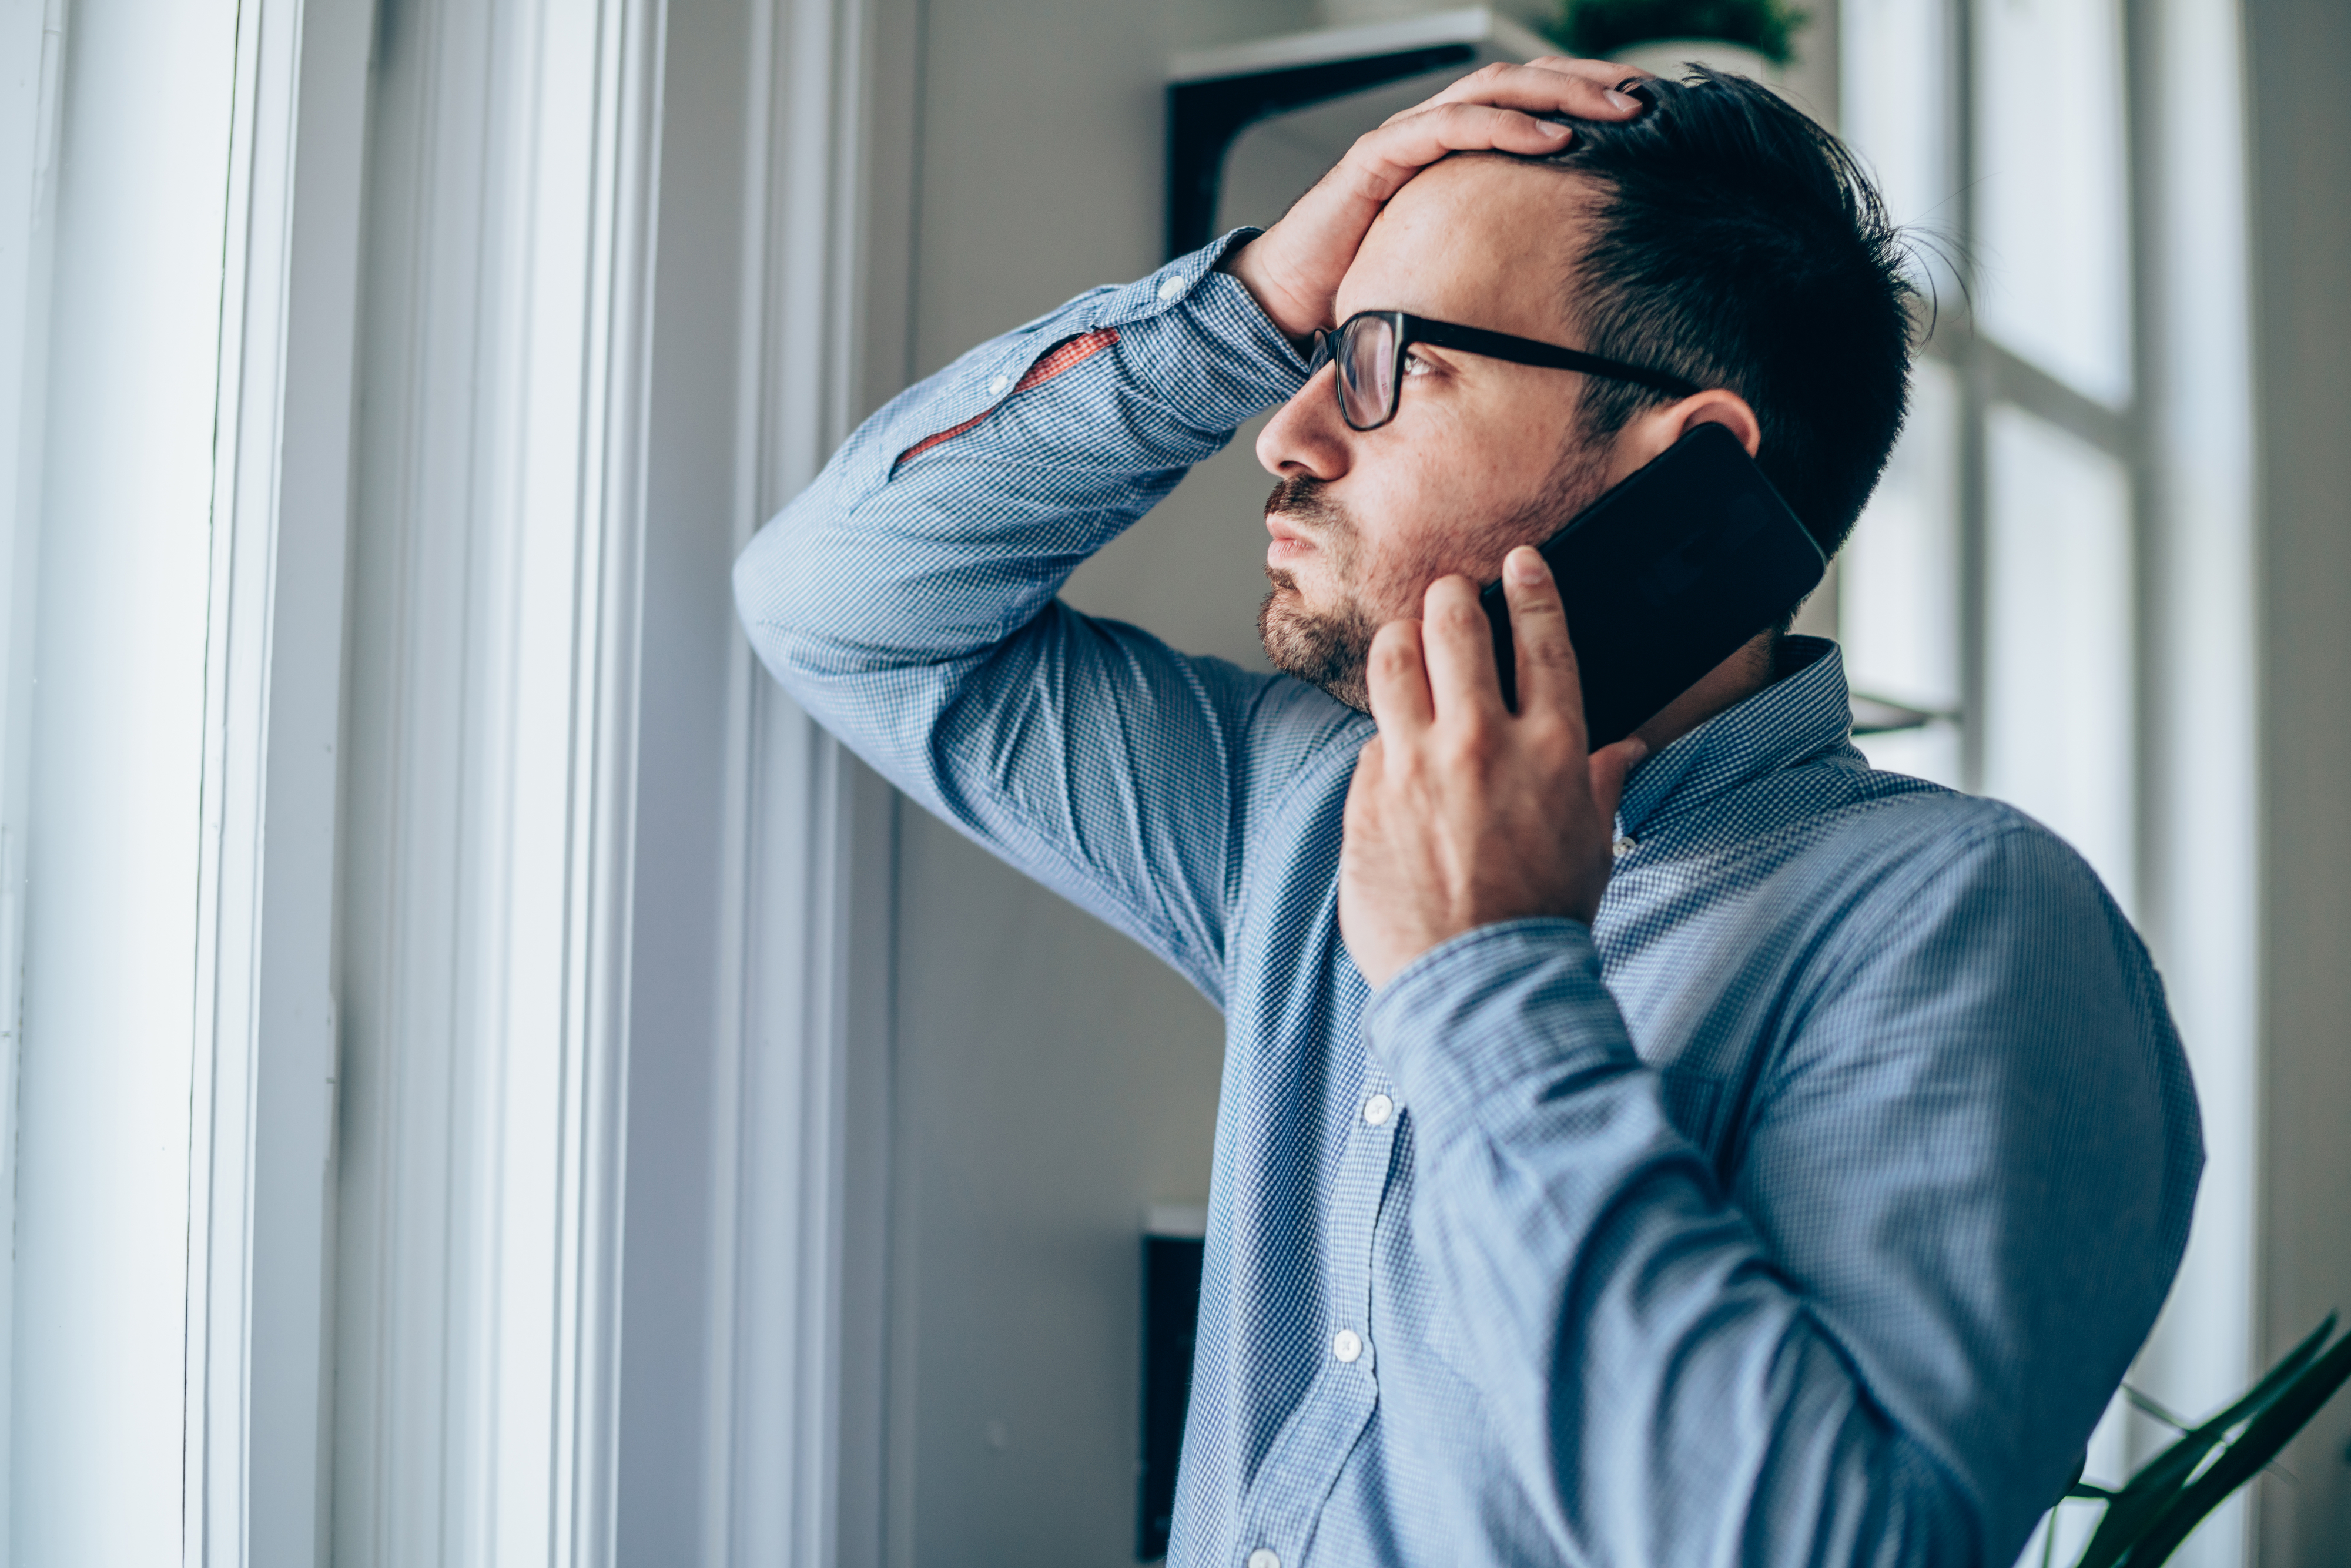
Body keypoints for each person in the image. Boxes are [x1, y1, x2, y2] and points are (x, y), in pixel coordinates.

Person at [735, 58, 2202, 1567]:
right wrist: (1242, 305)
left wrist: (1484, 973)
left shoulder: (1972, 924)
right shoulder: (1305, 807)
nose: (1283, 431)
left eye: (1379, 356)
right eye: (1312, 348)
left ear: (1682, 466)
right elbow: (844, 607)